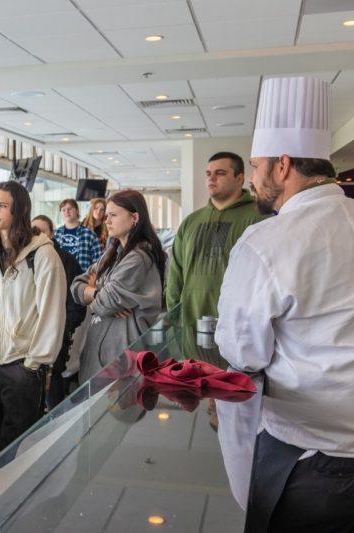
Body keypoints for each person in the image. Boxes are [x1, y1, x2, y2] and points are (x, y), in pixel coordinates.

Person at [215, 76, 354, 531]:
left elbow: (242, 353)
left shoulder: (267, 241)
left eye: (255, 167)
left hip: (310, 463)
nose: (251, 179)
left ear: (283, 166)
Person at [0, 181, 66, 463]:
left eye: (2, 205)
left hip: (23, 365)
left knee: (17, 450)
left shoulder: (42, 254)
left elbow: (52, 311)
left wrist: (34, 362)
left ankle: (15, 505)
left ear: (20, 209)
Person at [71, 190, 165, 383]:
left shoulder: (139, 257)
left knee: (119, 411)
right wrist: (97, 293)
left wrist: (95, 297)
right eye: (106, 216)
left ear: (134, 218)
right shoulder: (112, 252)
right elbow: (76, 286)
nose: (107, 221)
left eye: (113, 215)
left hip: (121, 356)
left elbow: (104, 304)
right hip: (99, 353)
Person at [166, 151, 267, 331]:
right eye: (208, 174)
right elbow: (175, 275)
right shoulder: (190, 223)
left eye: (220, 173)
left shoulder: (260, 218)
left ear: (239, 178)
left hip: (242, 329)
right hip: (191, 325)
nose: (211, 178)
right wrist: (175, 318)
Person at [31, 215, 86, 409]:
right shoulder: (26, 259)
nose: (36, 235)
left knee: (54, 388)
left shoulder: (66, 260)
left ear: (52, 234)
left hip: (57, 333)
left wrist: (63, 327)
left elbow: (76, 302)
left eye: (42, 231)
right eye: (33, 231)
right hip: (30, 336)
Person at [54, 198, 102, 272]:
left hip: (81, 278)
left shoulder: (89, 234)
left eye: (69, 209)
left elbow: (98, 260)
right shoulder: (56, 233)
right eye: (63, 210)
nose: (66, 212)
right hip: (60, 276)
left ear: (77, 211)